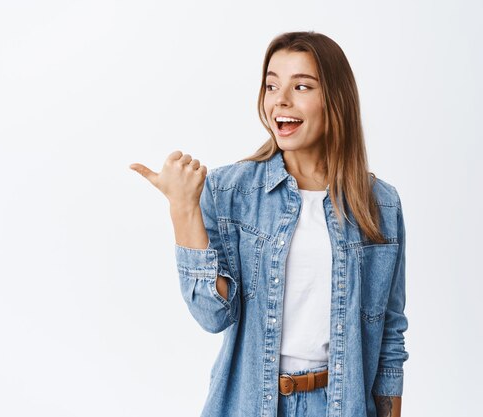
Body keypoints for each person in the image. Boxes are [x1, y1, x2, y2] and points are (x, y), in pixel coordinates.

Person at [130, 31, 409, 417]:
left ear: (335, 100)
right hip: (251, 403)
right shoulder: (229, 191)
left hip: (342, 405)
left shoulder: (380, 204)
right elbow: (214, 316)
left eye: (302, 86)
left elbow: (390, 332)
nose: (281, 99)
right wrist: (183, 209)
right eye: (272, 85)